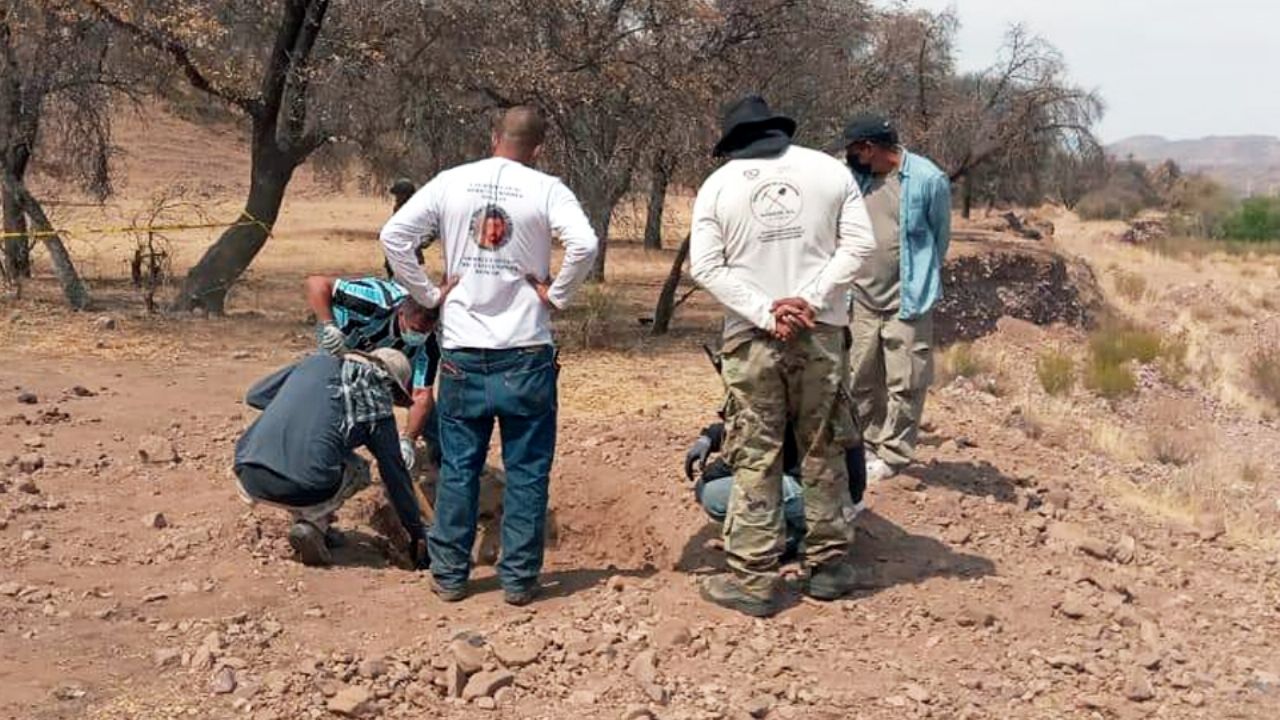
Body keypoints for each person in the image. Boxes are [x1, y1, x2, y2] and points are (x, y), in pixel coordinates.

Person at [381, 106, 598, 606]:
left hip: (462, 352)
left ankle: (451, 576)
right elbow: (584, 244)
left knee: (459, 466)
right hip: (526, 351)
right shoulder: (547, 189)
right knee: (527, 469)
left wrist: (429, 295)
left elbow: (394, 236)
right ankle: (520, 581)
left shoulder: (452, 182)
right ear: (538, 149)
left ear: (494, 136)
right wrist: (557, 295)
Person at [688, 94, 875, 617]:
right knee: (824, 445)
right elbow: (858, 247)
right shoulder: (830, 172)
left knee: (756, 454)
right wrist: (810, 301)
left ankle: (755, 580)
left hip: (752, 340)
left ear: (735, 142)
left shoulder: (717, 185)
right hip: (822, 333)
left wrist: (767, 312)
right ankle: (829, 567)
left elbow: (705, 266)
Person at [833, 114, 951, 483]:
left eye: (853, 149)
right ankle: (863, 445)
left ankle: (894, 455)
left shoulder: (928, 180)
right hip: (861, 300)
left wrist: (919, 280)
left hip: (908, 301)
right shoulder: (854, 178)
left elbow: (939, 238)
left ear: (870, 148)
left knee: (906, 382)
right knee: (859, 378)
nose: (848, 156)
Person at [233, 348, 427, 568]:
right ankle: (314, 525)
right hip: (302, 487)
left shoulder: (315, 363)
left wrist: (301, 411)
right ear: (391, 385)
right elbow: (395, 476)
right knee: (359, 469)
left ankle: (308, 525)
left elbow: (255, 396)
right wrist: (416, 531)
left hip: (247, 472)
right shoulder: (377, 405)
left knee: (317, 455)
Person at [305, 275, 441, 469]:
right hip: (341, 339)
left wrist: (408, 440)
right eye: (415, 329)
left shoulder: (429, 340)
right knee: (331, 395)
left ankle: (442, 459)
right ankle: (329, 458)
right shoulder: (374, 301)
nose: (419, 335)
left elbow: (421, 395)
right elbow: (316, 283)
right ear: (401, 313)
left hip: (388, 355)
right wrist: (328, 325)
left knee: (417, 402)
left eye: (424, 332)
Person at [685, 419, 868, 559]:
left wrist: (708, 474)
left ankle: (799, 539)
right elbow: (750, 423)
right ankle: (804, 533)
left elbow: (756, 443)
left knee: (712, 494)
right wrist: (710, 436)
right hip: (840, 487)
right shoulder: (803, 377)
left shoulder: (779, 385)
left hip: (829, 495)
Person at [386, 178, 424, 276]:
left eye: (399, 195)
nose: (396, 198)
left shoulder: (414, 209)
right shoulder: (398, 207)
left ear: (406, 195)